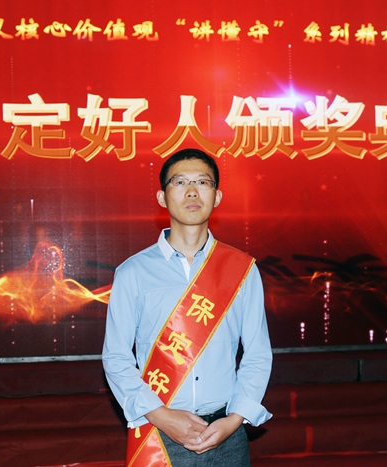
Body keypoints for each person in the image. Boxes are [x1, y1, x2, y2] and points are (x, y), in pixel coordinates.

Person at [102, 148, 273, 466]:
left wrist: (234, 420)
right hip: (159, 431)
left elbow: (258, 354)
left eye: (203, 182)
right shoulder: (132, 272)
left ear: (217, 196)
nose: (192, 191)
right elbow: (116, 358)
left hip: (226, 433)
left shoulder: (242, 269)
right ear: (162, 197)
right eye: (180, 182)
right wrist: (160, 416)